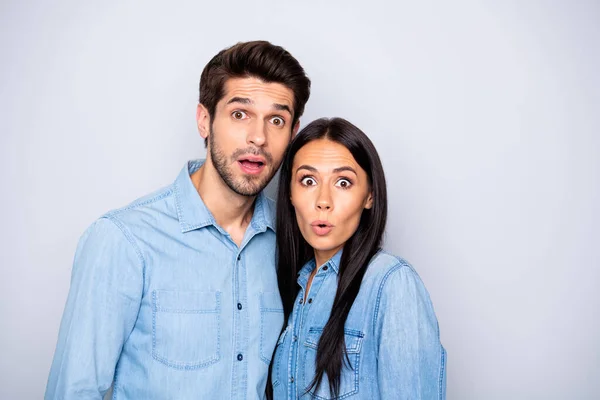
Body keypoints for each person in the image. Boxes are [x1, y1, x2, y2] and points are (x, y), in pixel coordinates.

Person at [45, 40, 311, 400]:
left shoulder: (294, 244)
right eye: (239, 114)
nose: (258, 137)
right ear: (204, 120)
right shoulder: (124, 240)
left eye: (276, 120)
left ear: (292, 134)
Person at [269, 118, 446, 399]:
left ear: (369, 196)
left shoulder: (391, 283)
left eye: (343, 182)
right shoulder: (296, 284)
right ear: (290, 193)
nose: (323, 201)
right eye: (308, 180)